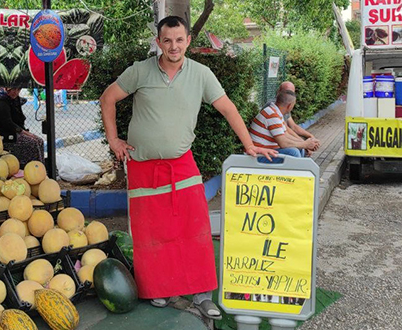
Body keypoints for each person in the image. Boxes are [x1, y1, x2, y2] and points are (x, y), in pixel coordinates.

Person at [99, 16, 276, 320]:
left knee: (194, 229)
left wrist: (248, 144)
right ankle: (158, 289)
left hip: (181, 165)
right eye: (167, 40)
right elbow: (108, 99)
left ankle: (202, 294)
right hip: (142, 167)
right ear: (158, 42)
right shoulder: (140, 70)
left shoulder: (202, 74)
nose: (173, 46)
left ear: (188, 41)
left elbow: (228, 108)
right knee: (150, 234)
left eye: (179, 40)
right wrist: (113, 140)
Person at [0, 87, 44, 167]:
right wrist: (24, 132)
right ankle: (29, 169)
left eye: (18, 90)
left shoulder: (14, 99)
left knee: (40, 141)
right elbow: (7, 123)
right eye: (13, 89)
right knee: (33, 143)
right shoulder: (0, 101)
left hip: (13, 132)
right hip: (3, 137)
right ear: (7, 88)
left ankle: (41, 170)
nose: (16, 92)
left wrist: (25, 132)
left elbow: (19, 119)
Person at [250, 89, 318, 157]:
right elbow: (283, 143)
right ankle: (298, 167)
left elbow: (286, 135)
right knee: (293, 152)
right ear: (289, 106)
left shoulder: (276, 112)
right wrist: (305, 144)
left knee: (299, 149)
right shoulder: (272, 115)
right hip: (260, 154)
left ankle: (299, 167)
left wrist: (304, 144)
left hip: (267, 151)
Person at [278, 81, 320, 153]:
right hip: (271, 146)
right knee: (295, 151)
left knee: (299, 149)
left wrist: (310, 137)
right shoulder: (276, 110)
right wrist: (304, 144)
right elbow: (286, 134)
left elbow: (293, 126)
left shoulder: (282, 108)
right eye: (287, 92)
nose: (289, 96)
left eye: (291, 93)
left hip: (276, 143)